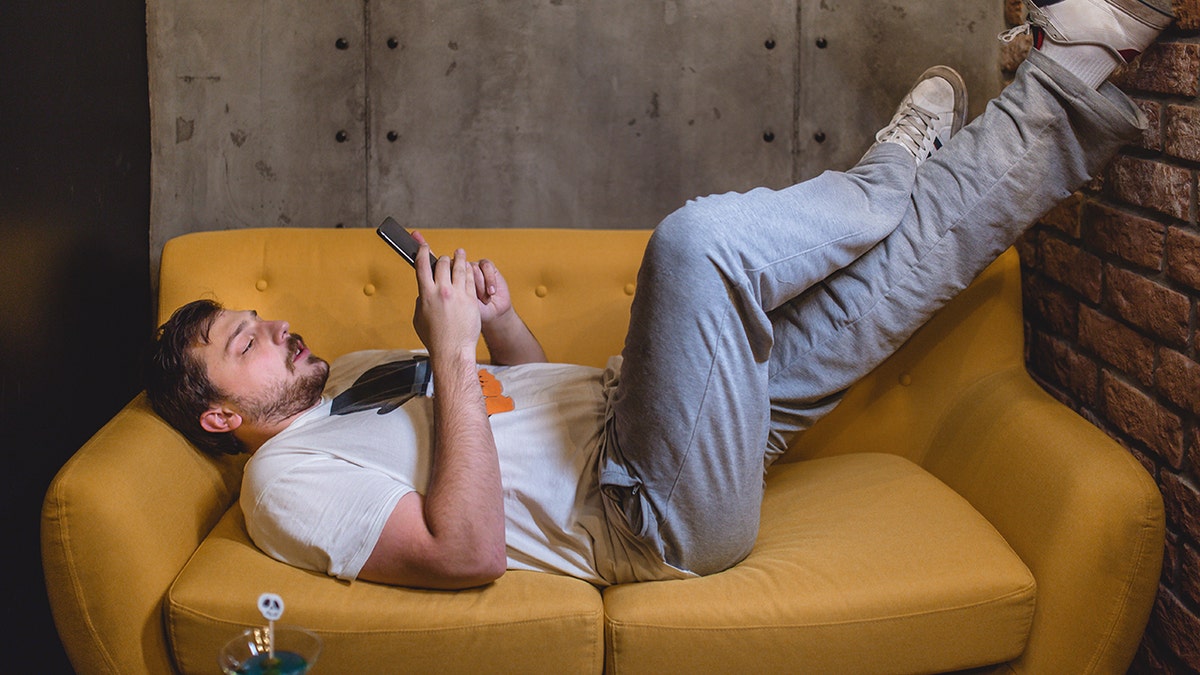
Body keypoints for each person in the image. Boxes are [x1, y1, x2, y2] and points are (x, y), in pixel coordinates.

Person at [146, 0, 1175, 589]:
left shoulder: (363, 381)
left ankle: (1088, 53)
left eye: (261, 321)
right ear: (221, 413)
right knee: (691, 246)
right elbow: (465, 554)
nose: (276, 327)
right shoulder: (284, 488)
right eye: (247, 340)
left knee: (895, 280)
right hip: (647, 512)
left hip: (647, 419)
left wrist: (497, 322)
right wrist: (451, 353)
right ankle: (881, 174)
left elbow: (520, 406)